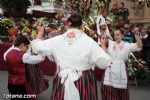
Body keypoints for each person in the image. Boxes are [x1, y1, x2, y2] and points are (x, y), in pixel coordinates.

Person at [31, 13, 112, 100]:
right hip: (84, 79)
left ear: (68, 23)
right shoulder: (89, 42)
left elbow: (36, 47)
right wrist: (103, 45)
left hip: (63, 78)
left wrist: (40, 32)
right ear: (81, 25)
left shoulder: (57, 40)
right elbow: (105, 62)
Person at [101, 29, 142, 100]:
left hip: (121, 70)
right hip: (110, 68)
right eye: (114, 35)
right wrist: (102, 32)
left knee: (121, 90)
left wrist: (135, 35)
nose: (116, 36)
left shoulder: (127, 45)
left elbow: (139, 45)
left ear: (122, 35)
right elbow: (103, 39)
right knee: (107, 87)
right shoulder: (111, 43)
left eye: (118, 35)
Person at [4, 35, 45, 100]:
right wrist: (42, 52)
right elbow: (40, 58)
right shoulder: (23, 56)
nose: (27, 49)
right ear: (22, 45)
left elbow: (12, 49)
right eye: (27, 47)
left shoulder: (6, 54)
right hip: (21, 83)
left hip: (10, 83)